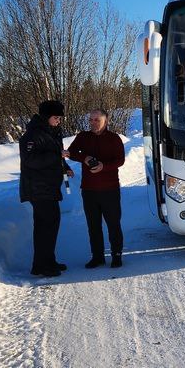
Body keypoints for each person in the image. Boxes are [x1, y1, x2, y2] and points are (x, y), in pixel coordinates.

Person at [65, 109, 126, 268]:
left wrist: (103, 166)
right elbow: (70, 153)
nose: (92, 123)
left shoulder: (114, 139)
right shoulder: (83, 136)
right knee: (93, 225)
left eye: (96, 120)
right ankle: (97, 256)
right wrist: (84, 157)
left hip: (110, 189)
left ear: (105, 121)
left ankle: (116, 254)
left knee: (113, 223)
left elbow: (120, 160)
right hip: (89, 189)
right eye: (90, 120)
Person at [19, 100, 73, 277]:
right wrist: (57, 155)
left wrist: (65, 167)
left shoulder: (51, 132)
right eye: (56, 117)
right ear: (46, 116)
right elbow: (31, 160)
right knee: (46, 226)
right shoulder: (33, 134)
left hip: (48, 186)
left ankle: (46, 262)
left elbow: (55, 156)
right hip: (38, 188)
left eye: (59, 118)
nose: (59, 121)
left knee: (49, 226)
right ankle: (42, 266)